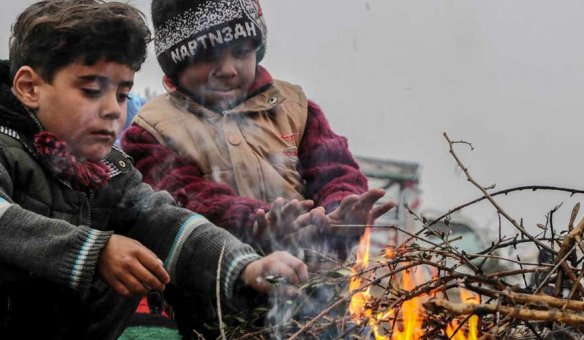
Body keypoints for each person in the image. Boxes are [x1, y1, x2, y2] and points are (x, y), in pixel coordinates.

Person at [0, 1, 307, 338]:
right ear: (29, 87)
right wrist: (93, 251)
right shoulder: (6, 147)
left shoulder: (109, 170)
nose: (112, 111)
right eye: (91, 90)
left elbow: (164, 222)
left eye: (121, 94)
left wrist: (245, 266)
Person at [120, 0, 394, 336]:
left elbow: (336, 167)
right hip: (215, 311)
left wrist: (338, 210)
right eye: (208, 57)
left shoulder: (294, 107)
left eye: (240, 51)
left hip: (316, 302)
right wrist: (257, 222)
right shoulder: (153, 130)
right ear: (176, 65)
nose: (228, 69)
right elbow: (184, 198)